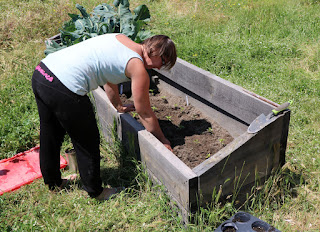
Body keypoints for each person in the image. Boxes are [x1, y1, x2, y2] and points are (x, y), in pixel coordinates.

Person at [31, 33, 177, 200]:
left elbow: (109, 76)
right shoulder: (138, 67)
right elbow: (144, 112)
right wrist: (162, 139)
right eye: (163, 62)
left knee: (50, 133)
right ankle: (96, 192)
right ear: (155, 51)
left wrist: (118, 106)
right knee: (87, 140)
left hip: (43, 72)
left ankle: (54, 183)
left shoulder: (121, 39)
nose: (159, 68)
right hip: (65, 86)